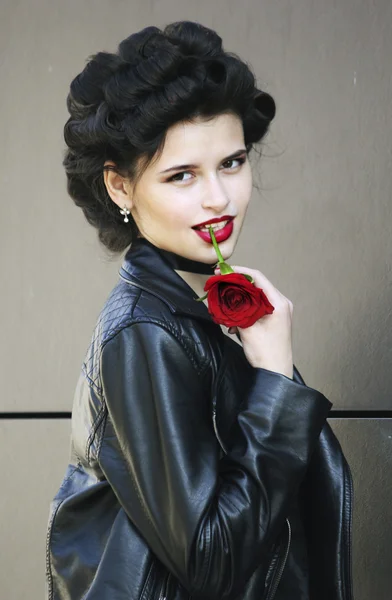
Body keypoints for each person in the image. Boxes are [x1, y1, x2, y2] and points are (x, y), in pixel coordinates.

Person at [46, 21, 353, 600]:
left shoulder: (194, 310)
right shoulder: (144, 331)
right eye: (182, 175)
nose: (218, 197)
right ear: (119, 188)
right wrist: (275, 382)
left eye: (232, 163)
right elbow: (213, 563)